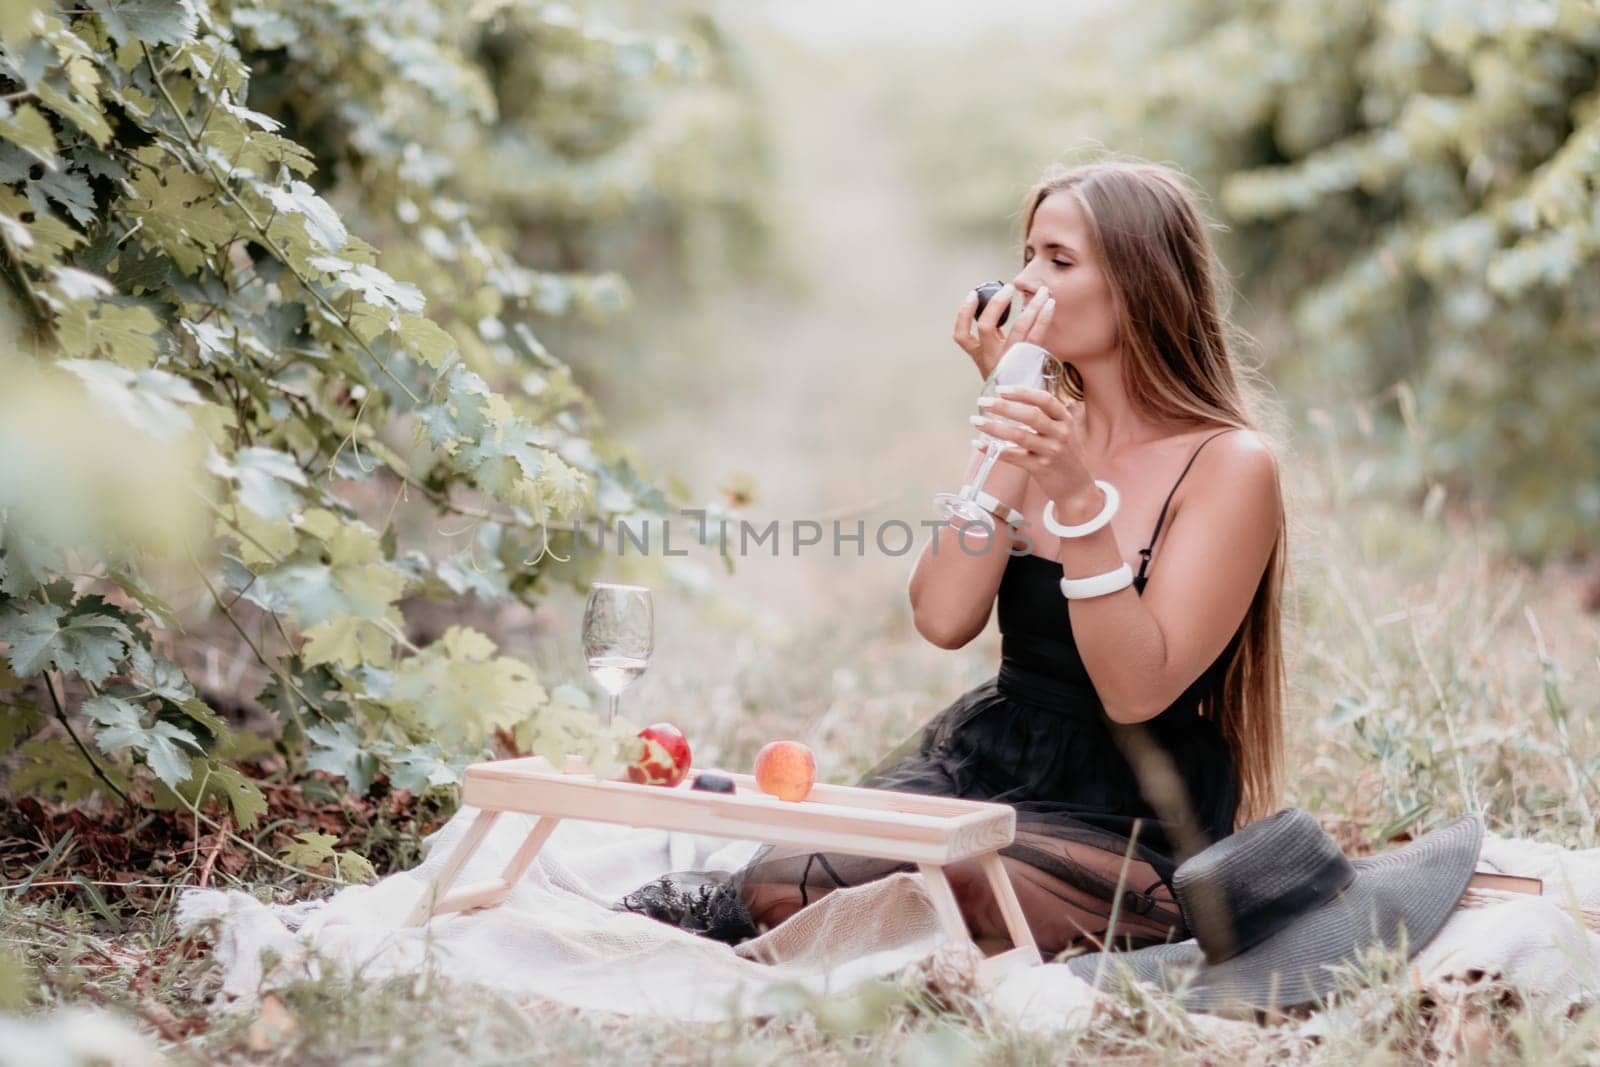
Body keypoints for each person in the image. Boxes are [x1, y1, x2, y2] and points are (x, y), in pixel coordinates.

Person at [615, 158, 1289, 960]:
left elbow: (1136, 690)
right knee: (779, 880)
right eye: (1029, 254)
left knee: (958, 879)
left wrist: (1077, 498)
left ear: (1141, 283)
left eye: (1059, 261)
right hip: (995, 755)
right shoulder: (1038, 419)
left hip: (1135, 801)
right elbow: (942, 616)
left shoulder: (1229, 463)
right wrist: (1014, 410)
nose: (1023, 282)